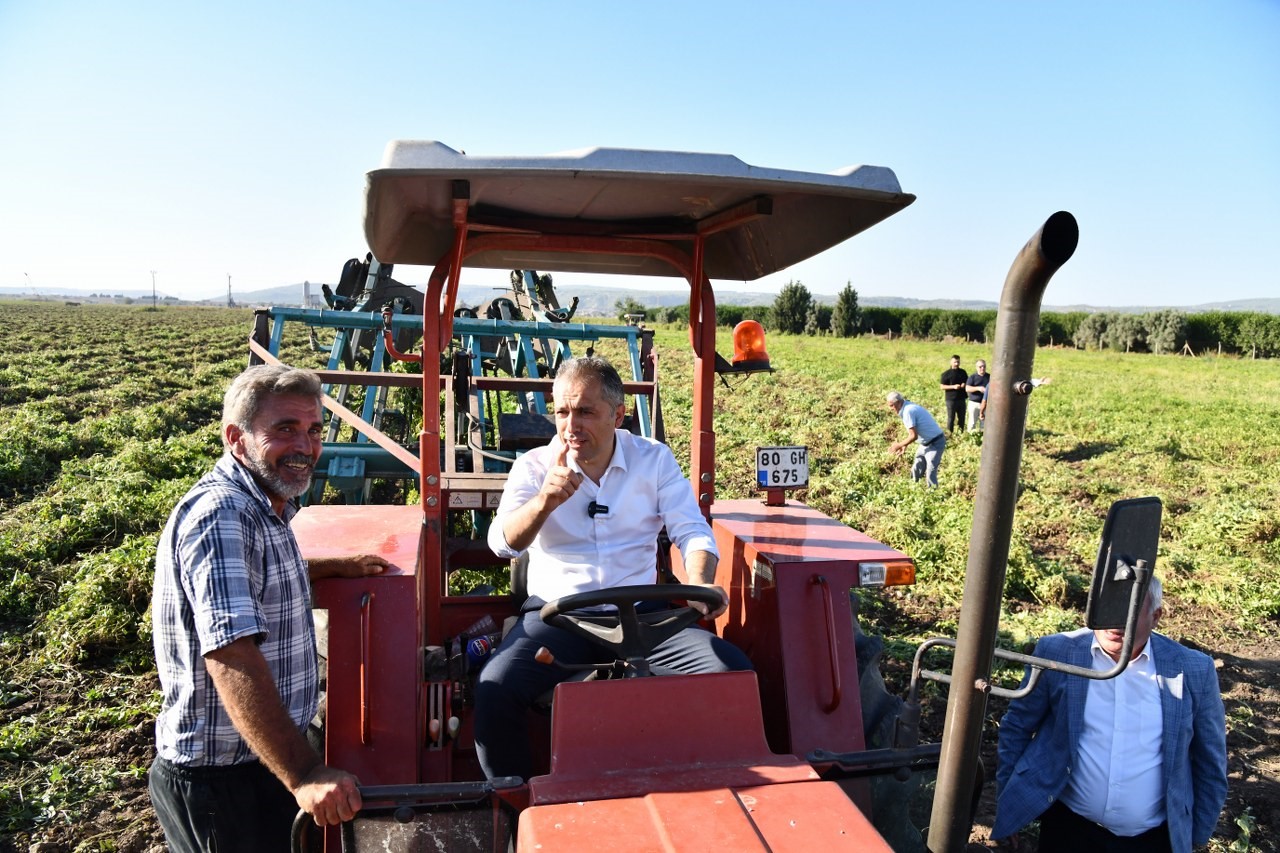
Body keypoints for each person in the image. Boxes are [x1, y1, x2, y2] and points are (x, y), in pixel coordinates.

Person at [149, 365, 389, 852]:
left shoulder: (268, 507)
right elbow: (231, 654)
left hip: (259, 762)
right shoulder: (222, 516)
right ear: (236, 438)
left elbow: (263, 574)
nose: (305, 445)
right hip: (223, 783)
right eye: (284, 430)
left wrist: (329, 567)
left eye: (314, 430)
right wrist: (303, 774)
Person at [478, 356, 751, 781]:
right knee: (495, 689)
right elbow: (501, 544)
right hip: (558, 618)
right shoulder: (533, 468)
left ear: (618, 415)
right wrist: (543, 503)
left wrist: (700, 583)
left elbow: (692, 530)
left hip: (643, 617)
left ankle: (714, 788)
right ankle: (515, 809)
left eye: (585, 411)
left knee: (731, 672)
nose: (571, 426)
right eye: (562, 412)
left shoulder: (653, 460)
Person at [994, 575, 1228, 853]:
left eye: (1129, 611)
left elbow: (1210, 761)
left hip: (1153, 840)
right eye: (1109, 608)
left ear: (1155, 617)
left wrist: (1197, 835)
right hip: (1069, 829)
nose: (1116, 622)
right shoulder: (1057, 653)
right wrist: (1009, 803)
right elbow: (1017, 727)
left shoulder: (1192, 670)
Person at [886, 391, 946, 487]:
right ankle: (912, 487)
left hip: (935, 443)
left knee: (930, 471)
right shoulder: (906, 407)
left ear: (898, 402)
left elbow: (913, 436)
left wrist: (898, 445)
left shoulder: (908, 411)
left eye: (891, 405)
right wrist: (904, 445)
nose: (891, 409)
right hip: (925, 443)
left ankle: (933, 495)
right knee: (917, 466)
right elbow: (913, 432)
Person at [939, 354, 969, 434]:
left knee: (962, 418)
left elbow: (967, 382)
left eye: (958, 362)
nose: (957, 364)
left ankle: (961, 433)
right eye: (955, 362)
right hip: (951, 399)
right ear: (951, 362)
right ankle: (950, 434)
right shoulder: (946, 374)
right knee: (951, 418)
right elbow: (942, 386)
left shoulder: (963, 372)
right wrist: (953, 387)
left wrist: (964, 384)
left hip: (961, 399)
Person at [965, 358, 990, 432]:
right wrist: (978, 388)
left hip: (986, 404)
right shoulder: (972, 377)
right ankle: (970, 437)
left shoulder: (989, 377)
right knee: (972, 422)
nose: (982, 368)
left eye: (984, 366)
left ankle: (983, 439)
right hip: (974, 403)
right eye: (980, 367)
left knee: (984, 424)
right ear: (976, 367)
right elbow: (967, 388)